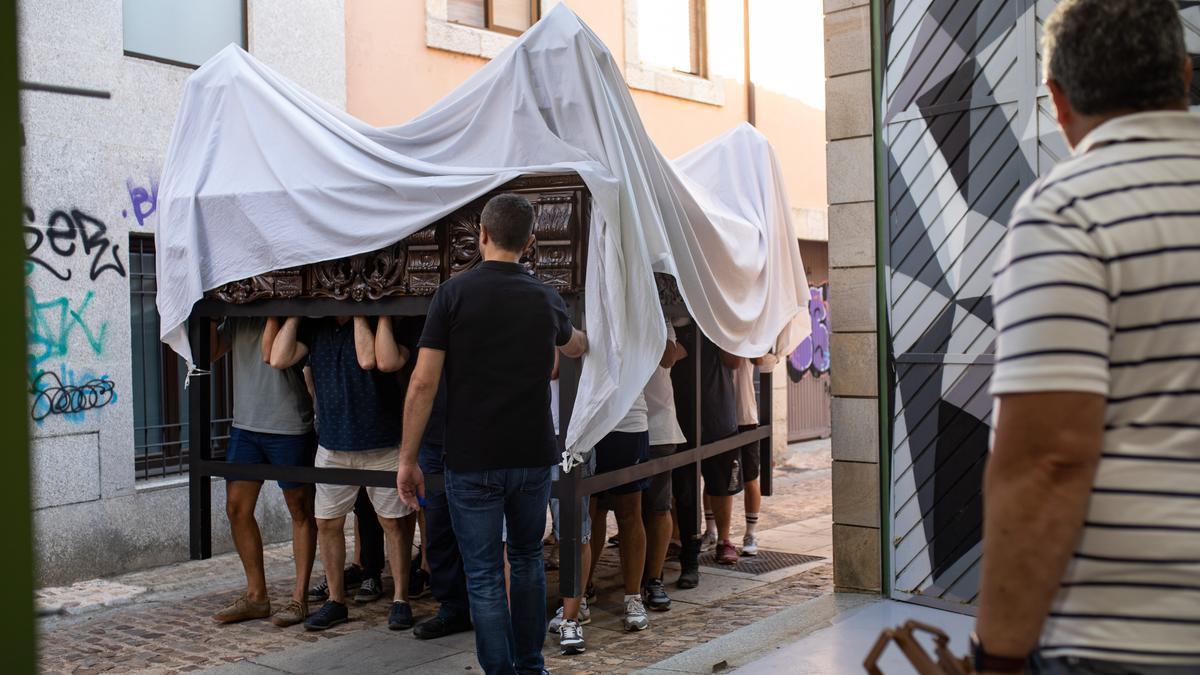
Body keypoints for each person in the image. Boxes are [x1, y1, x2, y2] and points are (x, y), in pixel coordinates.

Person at [976, 1, 1200, 673]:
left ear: (1057, 99)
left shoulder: (1067, 214)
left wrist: (999, 653)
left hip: (1126, 641)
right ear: (1184, 77)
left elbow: (1050, 457)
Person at [397, 193, 588, 675]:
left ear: (481, 235)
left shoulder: (452, 295)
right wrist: (590, 336)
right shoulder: (545, 297)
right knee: (526, 561)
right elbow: (573, 346)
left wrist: (407, 459)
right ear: (529, 241)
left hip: (472, 456)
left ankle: (501, 671)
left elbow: (422, 382)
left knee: (483, 574)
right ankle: (531, 667)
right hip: (530, 453)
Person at [270, 314, 417, 632]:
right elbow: (280, 358)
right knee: (327, 523)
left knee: (393, 524)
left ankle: (401, 599)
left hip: (382, 443)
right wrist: (295, 313)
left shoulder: (386, 322)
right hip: (334, 445)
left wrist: (360, 313)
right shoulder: (316, 326)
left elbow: (367, 359)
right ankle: (335, 601)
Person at [210, 317, 316, 627]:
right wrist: (200, 308)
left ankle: (300, 599)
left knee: (300, 510)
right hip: (245, 424)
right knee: (237, 508)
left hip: (289, 424)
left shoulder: (296, 313)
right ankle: (257, 597)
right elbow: (212, 351)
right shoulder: (238, 313)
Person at [670, 321, 741, 584]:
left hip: (717, 416)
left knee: (721, 486)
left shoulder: (716, 321)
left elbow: (734, 360)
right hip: (681, 419)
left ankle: (724, 538)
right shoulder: (675, 325)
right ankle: (687, 553)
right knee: (684, 492)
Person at [411, 375, 473, 640]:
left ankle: (491, 607)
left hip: (478, 433)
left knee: (482, 531)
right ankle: (453, 607)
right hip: (433, 436)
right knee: (438, 528)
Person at [586, 394, 651, 632]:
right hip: (586, 420)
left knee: (629, 510)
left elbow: (665, 359)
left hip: (628, 421)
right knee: (588, 513)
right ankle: (581, 594)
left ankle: (633, 597)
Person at [641, 318, 687, 610]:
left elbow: (668, 356)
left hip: (657, 423)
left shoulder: (660, 316)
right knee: (618, 509)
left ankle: (653, 579)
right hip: (617, 422)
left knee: (659, 506)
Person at [731, 354, 777, 556]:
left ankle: (751, 532)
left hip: (745, 414)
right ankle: (712, 530)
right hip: (718, 414)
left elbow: (762, 360)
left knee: (750, 477)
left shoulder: (748, 338)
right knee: (715, 478)